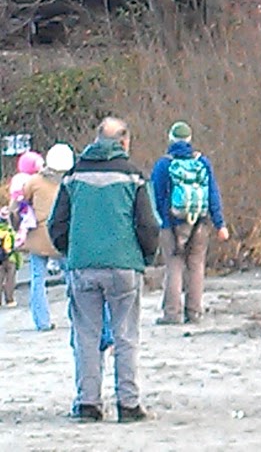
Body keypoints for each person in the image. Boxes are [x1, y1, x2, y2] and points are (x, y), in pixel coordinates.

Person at [48, 117, 159, 424]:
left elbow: (57, 224)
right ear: (124, 141)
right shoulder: (133, 176)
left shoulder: (73, 176)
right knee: (126, 335)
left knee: (85, 335)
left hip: (83, 266)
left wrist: (72, 252)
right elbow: (148, 225)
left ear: (96, 140)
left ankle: (88, 403)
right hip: (124, 266)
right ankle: (129, 404)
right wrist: (145, 257)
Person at [149, 121, 229, 325]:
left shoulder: (163, 165)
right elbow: (213, 194)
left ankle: (172, 314)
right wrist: (220, 223)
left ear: (170, 138)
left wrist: (160, 221)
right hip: (200, 224)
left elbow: (155, 196)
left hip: (171, 224)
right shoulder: (202, 162)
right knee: (196, 266)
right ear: (189, 139)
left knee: (174, 266)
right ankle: (194, 312)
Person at [14, 143, 76, 331]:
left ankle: (42, 322)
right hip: (63, 236)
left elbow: (20, 203)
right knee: (73, 279)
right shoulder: (72, 182)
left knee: (37, 280)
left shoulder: (34, 182)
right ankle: (76, 316)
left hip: (39, 237)